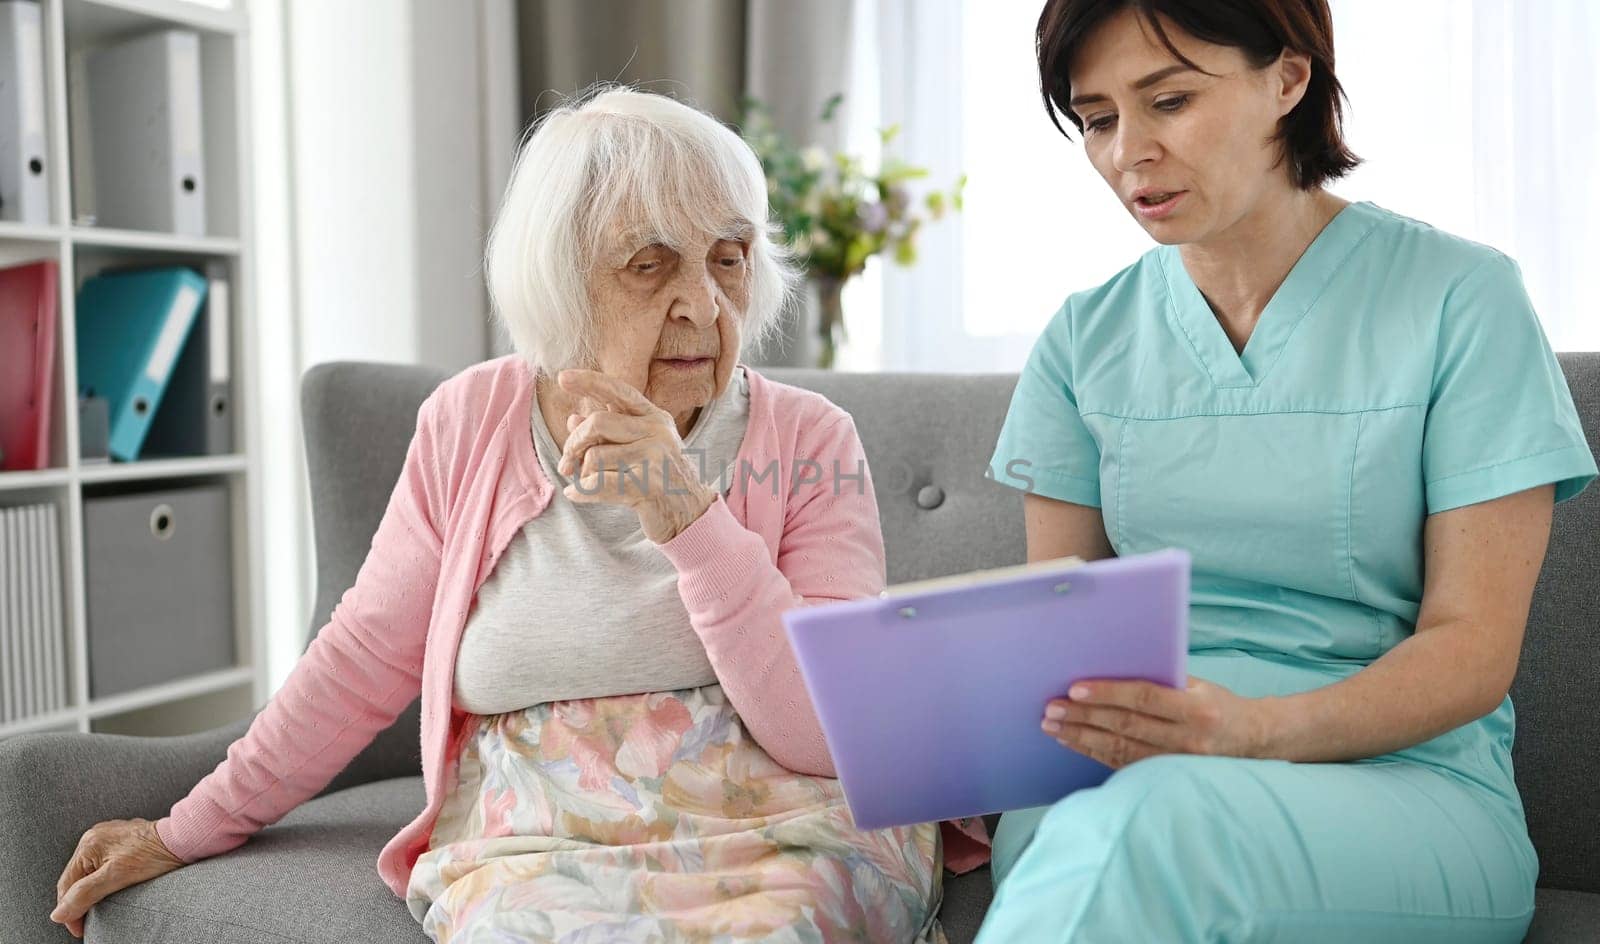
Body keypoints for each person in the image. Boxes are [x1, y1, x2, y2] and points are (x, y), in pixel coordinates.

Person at [51, 87, 951, 943]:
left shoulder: (811, 439)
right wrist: (185, 828)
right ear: (560, 280)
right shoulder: (468, 423)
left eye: (729, 258)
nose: (703, 304)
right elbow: (363, 655)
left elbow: (831, 733)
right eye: (651, 264)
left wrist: (687, 516)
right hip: (536, 833)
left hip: (787, 821)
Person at [979, 1, 1597, 941]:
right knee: (1110, 826)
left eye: (1170, 100)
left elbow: (1473, 648)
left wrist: (1251, 732)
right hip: (1123, 778)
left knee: (1148, 835)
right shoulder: (1082, 338)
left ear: (1289, 79)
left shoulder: (1463, 298)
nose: (1127, 153)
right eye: (1099, 118)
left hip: (1399, 788)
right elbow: (1059, 633)